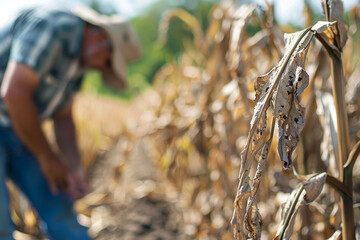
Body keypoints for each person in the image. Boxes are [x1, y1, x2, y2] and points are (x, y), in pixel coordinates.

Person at [0, 4, 141, 240]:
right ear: (99, 36)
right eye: (108, 62)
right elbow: (15, 94)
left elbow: (63, 115)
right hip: (13, 120)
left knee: (60, 210)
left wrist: (74, 167)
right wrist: (47, 158)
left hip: (18, 129)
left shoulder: (79, 59)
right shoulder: (52, 26)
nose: (100, 69)